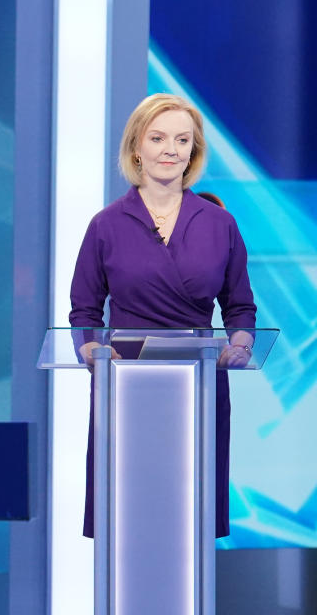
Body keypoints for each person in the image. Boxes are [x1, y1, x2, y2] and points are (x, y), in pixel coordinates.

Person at [69, 92, 256, 538]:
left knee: (189, 516)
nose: (171, 149)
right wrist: (90, 347)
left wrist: (242, 342)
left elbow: (239, 305)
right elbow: (84, 310)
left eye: (182, 140)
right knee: (130, 517)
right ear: (137, 146)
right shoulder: (106, 225)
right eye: (158, 138)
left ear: (194, 151)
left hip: (199, 383)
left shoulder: (219, 224)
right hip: (127, 384)